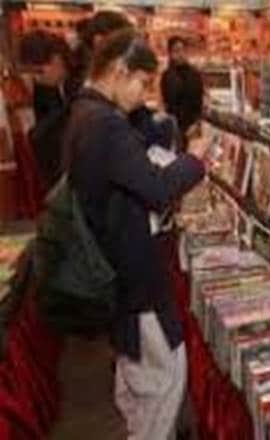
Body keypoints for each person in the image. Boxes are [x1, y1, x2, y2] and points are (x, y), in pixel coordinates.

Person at [61, 29, 209, 439]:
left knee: (135, 367)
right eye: (143, 83)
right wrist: (195, 160)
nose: (145, 95)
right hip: (132, 272)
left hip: (113, 267)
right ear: (119, 70)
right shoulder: (104, 124)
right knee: (165, 373)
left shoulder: (85, 111)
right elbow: (157, 188)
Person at [17, 30, 71, 190]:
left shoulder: (78, 83)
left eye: (39, 71)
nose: (36, 78)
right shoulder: (44, 88)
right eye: (31, 72)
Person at [160, 36, 204, 136]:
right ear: (170, 53)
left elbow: (199, 102)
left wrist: (196, 124)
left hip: (193, 126)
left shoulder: (195, 74)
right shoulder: (167, 76)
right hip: (174, 128)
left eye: (183, 50)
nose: (181, 54)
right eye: (176, 51)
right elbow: (167, 104)